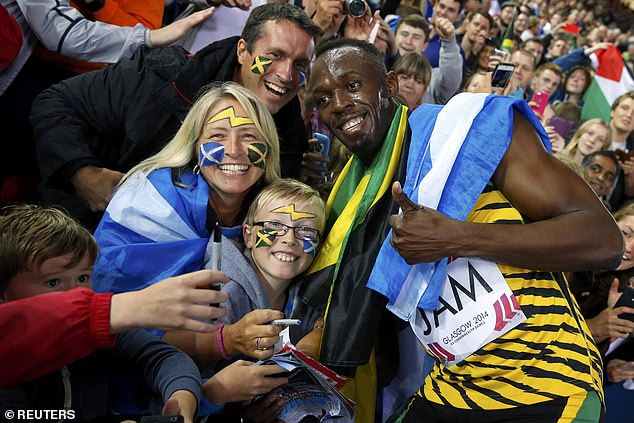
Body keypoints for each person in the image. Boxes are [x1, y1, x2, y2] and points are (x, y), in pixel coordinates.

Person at [303, 38, 622, 422]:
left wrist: (457, 237)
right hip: (453, 386)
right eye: (322, 100)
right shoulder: (351, 195)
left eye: (353, 86)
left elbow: (604, 240)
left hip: (547, 380)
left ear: (389, 86)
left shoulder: (467, 133)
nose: (338, 105)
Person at [30, 2, 322, 229]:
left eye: (299, 64)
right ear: (243, 51)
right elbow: (55, 103)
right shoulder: (160, 75)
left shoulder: (292, 141)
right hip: (81, 233)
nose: (285, 75)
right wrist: (82, 172)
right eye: (274, 56)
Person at [92, 82, 289, 412]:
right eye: (217, 137)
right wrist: (225, 342)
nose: (236, 150)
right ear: (194, 146)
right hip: (130, 395)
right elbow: (123, 329)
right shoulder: (152, 200)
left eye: (251, 137)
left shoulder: (272, 212)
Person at [0, 204, 203, 423]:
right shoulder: (8, 366)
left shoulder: (91, 334)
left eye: (83, 278)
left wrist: (182, 400)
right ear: (4, 295)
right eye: (53, 282)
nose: (75, 294)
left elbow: (162, 357)